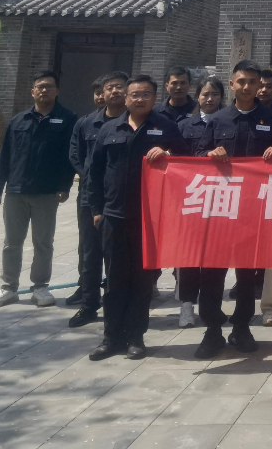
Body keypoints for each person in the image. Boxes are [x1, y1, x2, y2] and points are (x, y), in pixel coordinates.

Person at [84, 75, 187, 360]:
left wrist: (168, 152)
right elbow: (94, 173)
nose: (139, 99)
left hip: (149, 219)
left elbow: (186, 162)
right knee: (114, 279)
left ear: (155, 97)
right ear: (125, 98)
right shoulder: (109, 129)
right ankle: (111, 338)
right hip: (113, 215)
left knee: (142, 280)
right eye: (135, 94)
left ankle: (136, 337)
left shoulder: (166, 127)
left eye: (146, 94)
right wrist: (96, 210)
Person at [202, 60, 272, 357]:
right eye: (242, 81)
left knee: (248, 275)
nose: (247, 87)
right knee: (212, 273)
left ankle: (241, 327)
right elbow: (197, 158)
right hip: (221, 209)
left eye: (253, 82)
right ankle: (212, 330)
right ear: (232, 83)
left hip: (253, 210)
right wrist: (210, 154)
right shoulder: (217, 119)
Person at [0, 72, 77, 311]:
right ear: (33, 91)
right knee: (11, 242)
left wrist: (64, 186)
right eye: (40, 87)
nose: (44, 90)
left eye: (49, 86)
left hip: (47, 192)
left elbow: (69, 158)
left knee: (43, 242)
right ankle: (8, 287)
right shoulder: (19, 120)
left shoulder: (68, 119)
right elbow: (5, 154)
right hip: (16, 190)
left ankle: (40, 286)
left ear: (57, 91)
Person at [66, 72, 125, 324]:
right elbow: (75, 155)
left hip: (120, 199)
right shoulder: (86, 123)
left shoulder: (133, 122)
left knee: (117, 255)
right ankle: (89, 304)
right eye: (109, 88)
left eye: (119, 87)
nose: (113, 92)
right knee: (90, 253)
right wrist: (92, 178)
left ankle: (116, 306)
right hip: (90, 198)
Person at [174, 80, 234, 329]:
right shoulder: (183, 126)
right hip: (192, 198)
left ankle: (212, 308)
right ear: (197, 97)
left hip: (221, 198)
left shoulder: (227, 122)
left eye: (215, 94)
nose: (210, 99)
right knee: (189, 256)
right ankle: (186, 305)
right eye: (205, 94)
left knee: (216, 257)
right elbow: (176, 160)